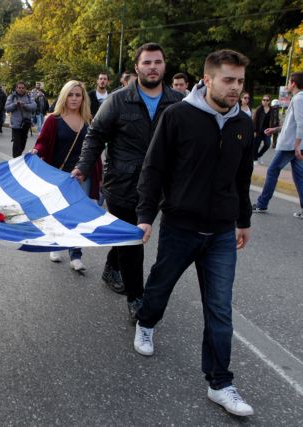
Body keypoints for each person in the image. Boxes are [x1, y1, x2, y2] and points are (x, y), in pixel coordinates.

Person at [134, 49, 254, 417]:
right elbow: (153, 170)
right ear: (209, 79)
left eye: (240, 82)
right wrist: (145, 216)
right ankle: (146, 322)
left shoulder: (243, 124)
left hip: (220, 232)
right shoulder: (178, 117)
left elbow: (242, 176)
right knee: (159, 286)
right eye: (228, 80)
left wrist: (243, 220)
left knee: (219, 308)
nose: (235, 88)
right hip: (180, 226)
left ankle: (220, 383)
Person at [71, 43, 183, 318]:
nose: (153, 67)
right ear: (137, 68)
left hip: (159, 187)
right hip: (122, 184)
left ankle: (112, 268)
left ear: (164, 66)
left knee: (126, 236)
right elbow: (95, 135)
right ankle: (136, 299)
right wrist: (83, 167)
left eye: (157, 62)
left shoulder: (178, 102)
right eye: (147, 63)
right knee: (133, 239)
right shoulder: (119, 100)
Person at [32, 81, 102, 272]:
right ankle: (55, 245)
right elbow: (43, 143)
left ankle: (76, 254)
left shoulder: (89, 121)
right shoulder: (53, 120)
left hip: (81, 177)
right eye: (70, 94)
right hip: (58, 175)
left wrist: (98, 176)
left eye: (78, 95)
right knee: (58, 213)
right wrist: (36, 151)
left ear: (83, 98)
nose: (74, 98)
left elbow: (95, 149)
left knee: (77, 216)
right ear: (64, 96)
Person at [253, 72, 303, 218]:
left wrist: (296, 145)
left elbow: (301, 123)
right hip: (294, 144)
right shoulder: (299, 98)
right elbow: (292, 123)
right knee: (299, 176)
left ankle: (262, 204)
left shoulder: (298, 99)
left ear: (293, 83)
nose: (287, 85)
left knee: (272, 171)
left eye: (288, 82)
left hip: (290, 145)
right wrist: (276, 129)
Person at [5, 81, 36, 157]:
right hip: (16, 125)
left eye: (22, 88)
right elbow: (7, 108)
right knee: (16, 144)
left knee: (22, 144)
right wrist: (15, 104)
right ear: (16, 88)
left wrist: (25, 105)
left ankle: (18, 157)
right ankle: (15, 160)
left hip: (25, 124)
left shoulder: (29, 96)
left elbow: (34, 106)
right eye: (19, 88)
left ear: (25, 88)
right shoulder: (11, 96)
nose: (21, 89)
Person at [252, 94, 278, 164]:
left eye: (267, 100)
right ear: (262, 100)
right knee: (256, 145)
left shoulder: (272, 110)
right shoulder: (259, 109)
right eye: (264, 100)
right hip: (258, 130)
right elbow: (254, 120)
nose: (265, 101)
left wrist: (274, 129)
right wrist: (254, 131)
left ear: (269, 101)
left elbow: (275, 120)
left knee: (267, 144)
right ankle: (255, 159)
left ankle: (259, 156)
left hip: (267, 130)